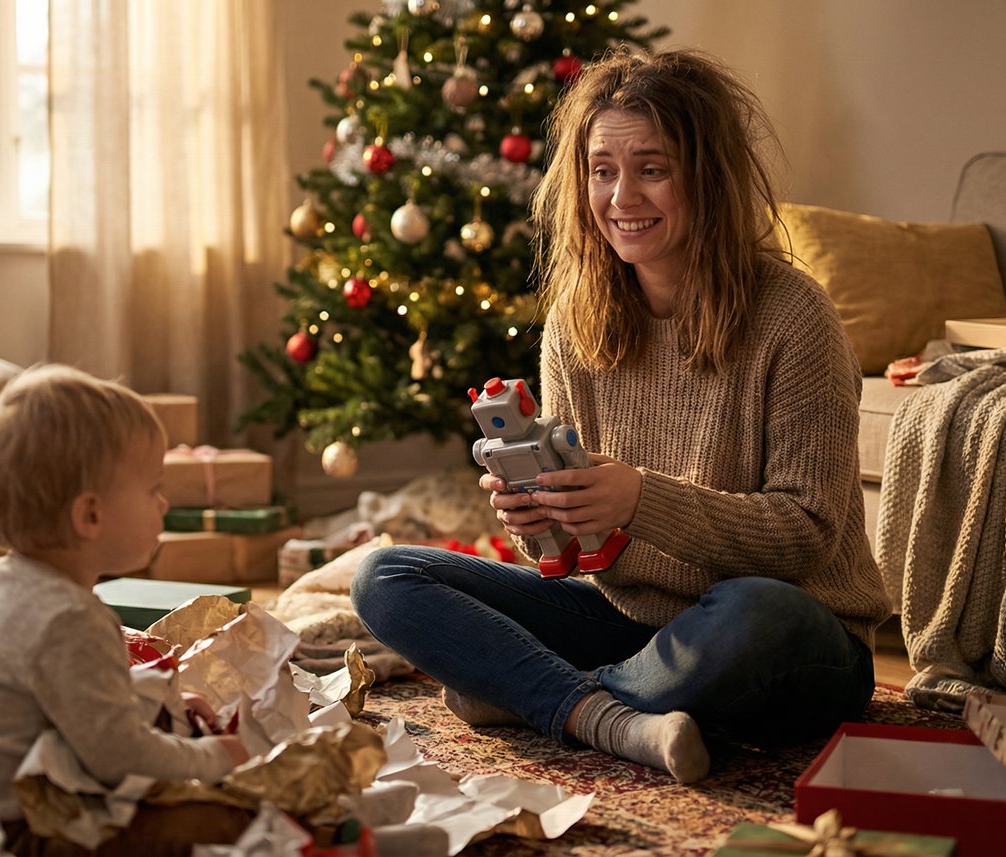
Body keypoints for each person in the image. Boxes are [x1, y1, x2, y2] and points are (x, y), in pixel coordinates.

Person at [351, 47, 891, 784]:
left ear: (708, 177)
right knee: (387, 574)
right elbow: (577, 555)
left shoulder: (794, 316)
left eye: (653, 169)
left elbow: (808, 534)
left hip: (788, 636)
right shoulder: (576, 321)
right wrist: (540, 514)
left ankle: (534, 693)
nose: (621, 196)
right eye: (602, 171)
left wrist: (639, 498)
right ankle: (615, 713)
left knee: (759, 611)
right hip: (630, 623)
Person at [0, 364, 252, 853]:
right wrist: (215, 757)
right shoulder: (67, 619)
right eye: (153, 489)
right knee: (232, 820)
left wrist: (160, 704)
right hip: (15, 836)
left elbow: (69, 700)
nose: (163, 505)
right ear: (90, 515)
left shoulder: (18, 587)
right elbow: (118, 757)